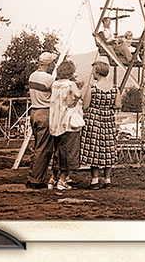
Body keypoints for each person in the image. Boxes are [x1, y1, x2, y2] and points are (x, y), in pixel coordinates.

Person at [80, 61, 122, 189]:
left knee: (94, 149)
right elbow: (118, 105)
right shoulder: (115, 88)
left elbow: (85, 106)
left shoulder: (92, 88)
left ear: (97, 72)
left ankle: (94, 180)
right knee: (108, 148)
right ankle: (108, 179)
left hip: (93, 120)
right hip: (108, 119)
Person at [48, 60, 83, 191]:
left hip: (55, 122)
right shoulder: (70, 84)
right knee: (68, 152)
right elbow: (78, 95)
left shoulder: (55, 84)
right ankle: (62, 180)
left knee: (58, 151)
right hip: (68, 122)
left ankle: (53, 178)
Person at [25, 51, 58, 189]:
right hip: (45, 112)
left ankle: (34, 175)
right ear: (49, 64)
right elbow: (56, 94)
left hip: (34, 111)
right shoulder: (49, 79)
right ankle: (36, 179)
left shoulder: (33, 76)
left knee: (38, 145)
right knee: (44, 148)